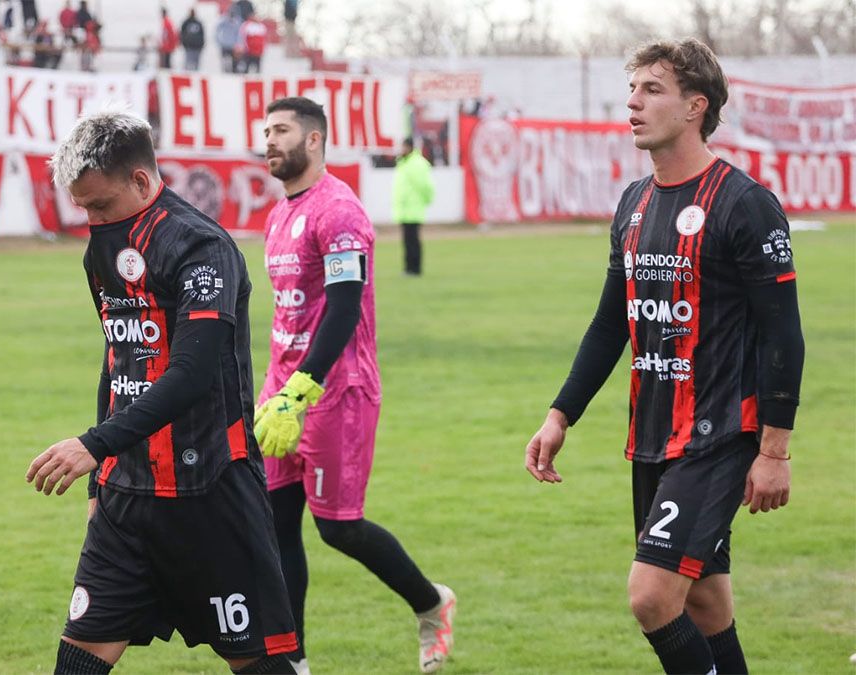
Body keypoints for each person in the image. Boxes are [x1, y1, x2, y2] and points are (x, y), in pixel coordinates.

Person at [523, 38, 803, 675]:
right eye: (632, 89)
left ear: (694, 107)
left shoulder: (745, 204)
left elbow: (784, 336)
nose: (633, 103)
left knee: (651, 597)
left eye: (652, 90)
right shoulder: (633, 203)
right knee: (703, 601)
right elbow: (609, 323)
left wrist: (774, 449)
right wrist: (560, 415)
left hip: (720, 434)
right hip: (652, 434)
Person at [26, 110, 300, 675]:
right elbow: (119, 360)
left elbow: (191, 374)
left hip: (211, 492)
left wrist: (93, 445)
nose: (92, 221)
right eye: (83, 209)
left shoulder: (203, 248)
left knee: (258, 664)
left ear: (143, 182)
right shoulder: (101, 250)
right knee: (77, 662)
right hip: (126, 498)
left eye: (100, 205)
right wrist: (99, 485)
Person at [257, 96, 457, 675]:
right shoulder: (279, 215)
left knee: (338, 528)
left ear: (314, 140)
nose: (270, 140)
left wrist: (302, 389)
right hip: (282, 391)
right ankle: (291, 659)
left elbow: (343, 310)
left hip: (336, 391)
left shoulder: (340, 212)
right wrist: (278, 390)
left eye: (282, 130)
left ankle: (431, 603)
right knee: (274, 525)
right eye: (266, 130)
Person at [391, 138, 433, 276]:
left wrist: (426, 200)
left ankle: (415, 268)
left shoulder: (417, 164)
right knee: (407, 241)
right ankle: (409, 268)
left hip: (413, 207)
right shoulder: (404, 162)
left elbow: (425, 185)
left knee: (413, 240)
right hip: (405, 208)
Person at [215, 8, 241, 74]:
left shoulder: (236, 22)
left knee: (234, 61)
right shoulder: (224, 21)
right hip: (225, 44)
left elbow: (238, 34)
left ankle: (232, 72)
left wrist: (238, 44)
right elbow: (217, 30)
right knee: (225, 60)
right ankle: (225, 72)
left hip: (233, 45)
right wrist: (219, 41)